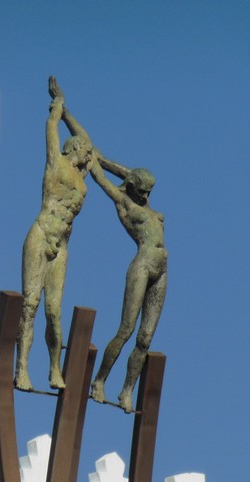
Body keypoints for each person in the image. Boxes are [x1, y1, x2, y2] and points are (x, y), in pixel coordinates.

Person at [49, 79, 167, 412]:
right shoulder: (122, 201)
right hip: (143, 264)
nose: (146, 197)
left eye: (148, 192)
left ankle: (126, 390)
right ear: (132, 190)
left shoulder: (138, 188)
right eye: (142, 191)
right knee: (127, 329)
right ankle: (99, 380)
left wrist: (116, 165)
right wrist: (64, 112)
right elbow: (94, 155)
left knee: (146, 338)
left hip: (162, 269)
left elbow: (113, 162)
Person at [14, 78, 94, 391]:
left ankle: (54, 370)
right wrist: (57, 109)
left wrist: (68, 107)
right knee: (30, 305)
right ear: (74, 150)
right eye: (85, 151)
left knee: (54, 312)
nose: (90, 154)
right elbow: (51, 126)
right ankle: (21, 368)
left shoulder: (81, 174)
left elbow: (86, 137)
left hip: (61, 246)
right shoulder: (56, 163)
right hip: (41, 235)